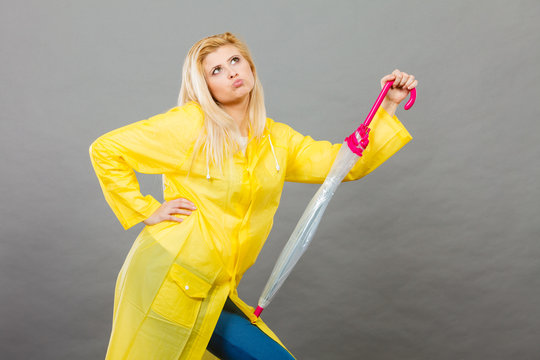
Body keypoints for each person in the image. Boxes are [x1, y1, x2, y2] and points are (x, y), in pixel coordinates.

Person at [89, 32, 416, 360]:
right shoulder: (191, 125)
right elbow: (105, 149)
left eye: (234, 61)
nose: (230, 72)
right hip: (167, 280)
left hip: (216, 289)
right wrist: (145, 209)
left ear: (251, 67)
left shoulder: (276, 139)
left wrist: (388, 106)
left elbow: (342, 165)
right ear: (205, 87)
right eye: (215, 70)